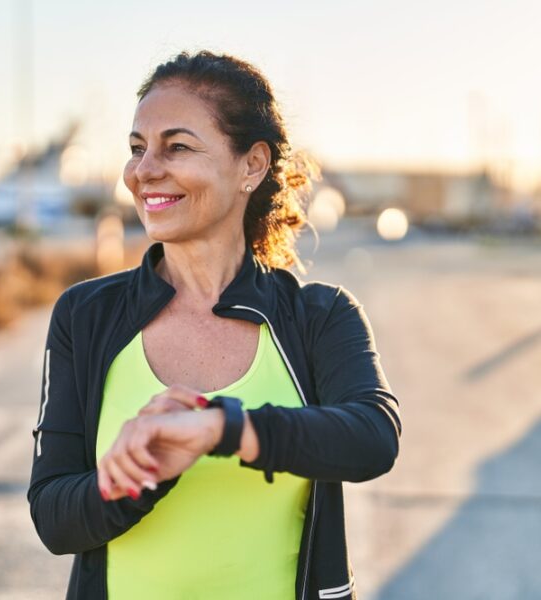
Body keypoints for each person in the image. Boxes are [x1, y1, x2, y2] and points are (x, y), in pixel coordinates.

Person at [28, 50, 401, 600]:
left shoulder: (320, 316)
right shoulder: (86, 316)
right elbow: (54, 518)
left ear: (251, 165)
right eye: (137, 148)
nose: (144, 169)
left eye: (176, 146)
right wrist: (140, 473)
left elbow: (372, 438)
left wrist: (223, 429)